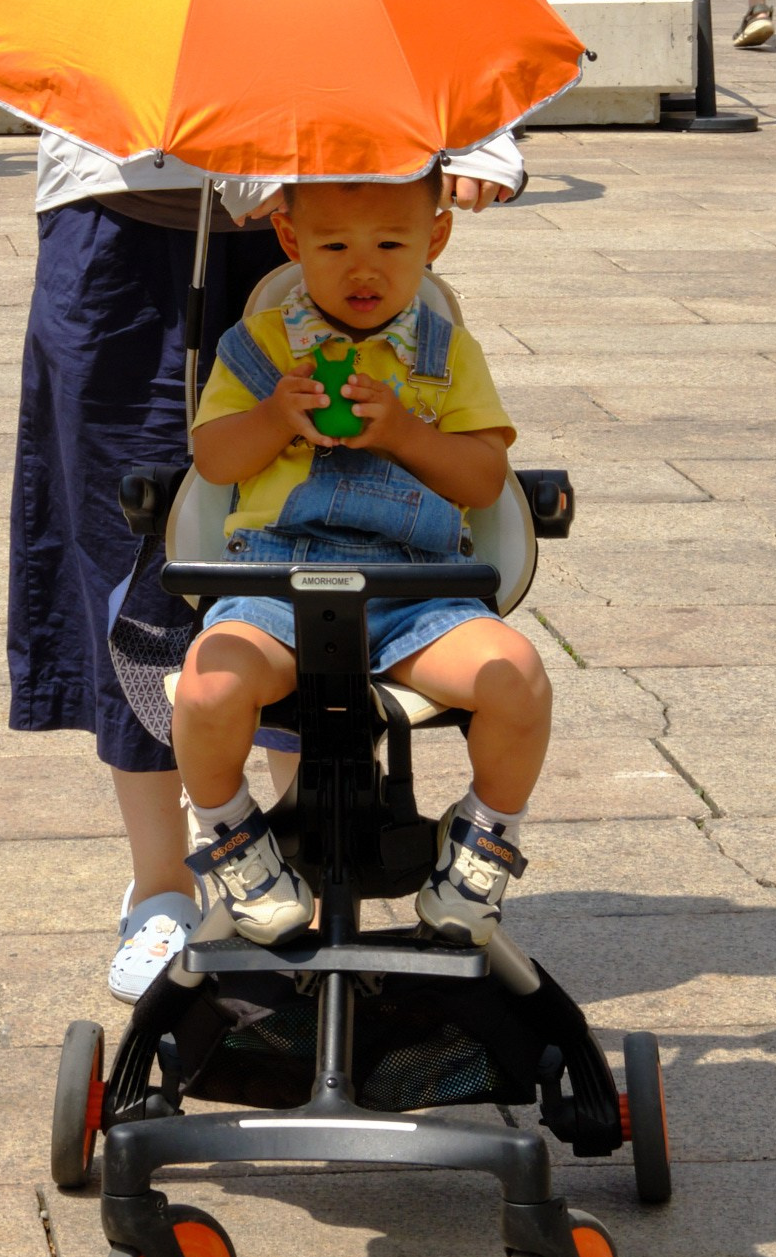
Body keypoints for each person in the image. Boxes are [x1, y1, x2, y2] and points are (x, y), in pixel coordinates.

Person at [0, 0, 522, 1004]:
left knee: (334, 527)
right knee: (131, 546)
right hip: (123, 210)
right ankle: (167, 875)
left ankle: (306, 840)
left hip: (325, 225)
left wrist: (474, 132)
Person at [174, 173, 546, 948]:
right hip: (279, 582)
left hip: (420, 588)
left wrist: (407, 434)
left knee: (517, 676)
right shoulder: (260, 347)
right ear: (290, 242)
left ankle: (482, 839)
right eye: (335, 245)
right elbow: (212, 460)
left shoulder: (447, 355)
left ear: (435, 241)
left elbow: (483, 481)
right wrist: (277, 414)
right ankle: (233, 836)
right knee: (208, 685)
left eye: (392, 244)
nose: (363, 268)